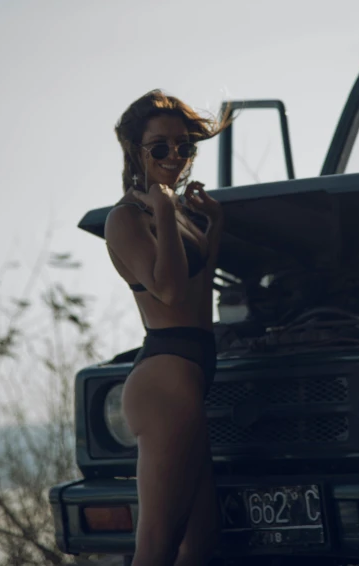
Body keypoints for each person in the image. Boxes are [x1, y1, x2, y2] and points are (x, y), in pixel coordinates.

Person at [104, 89, 229, 566]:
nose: (174, 156)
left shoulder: (175, 210)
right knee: (156, 545)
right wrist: (160, 208)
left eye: (184, 146)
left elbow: (200, 290)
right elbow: (170, 293)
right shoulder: (127, 218)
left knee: (199, 543)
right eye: (160, 147)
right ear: (137, 152)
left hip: (191, 376)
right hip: (164, 384)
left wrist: (212, 224)